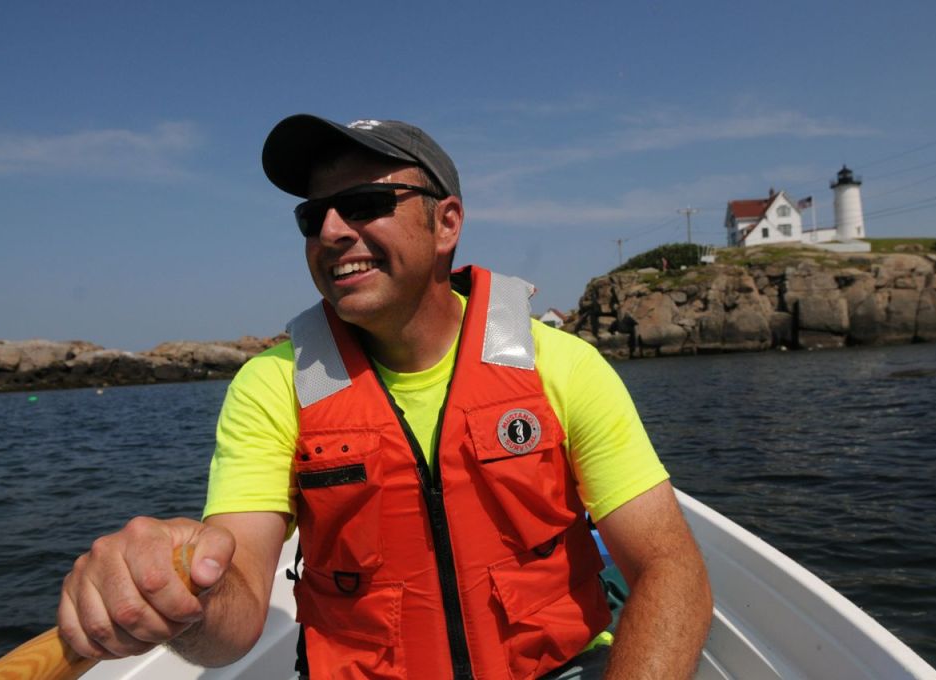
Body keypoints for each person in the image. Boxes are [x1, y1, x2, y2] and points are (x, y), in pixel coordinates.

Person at [57, 114, 712, 679]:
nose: (332, 231)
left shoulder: (562, 367)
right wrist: (183, 590)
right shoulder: (272, 387)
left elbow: (669, 568)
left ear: (446, 223)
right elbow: (237, 612)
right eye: (313, 216)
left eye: (366, 204)